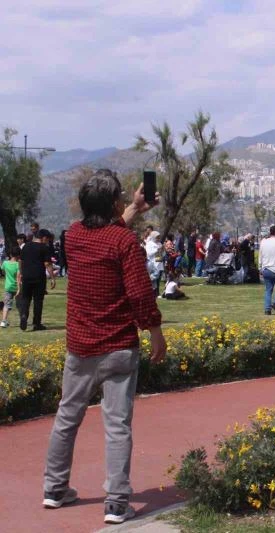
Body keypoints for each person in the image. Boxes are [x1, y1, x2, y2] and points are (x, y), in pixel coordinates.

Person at [43, 169, 166, 525]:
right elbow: (140, 293)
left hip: (80, 346)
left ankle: (54, 489)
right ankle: (116, 502)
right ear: (114, 203)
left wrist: (132, 209)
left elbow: (104, 237)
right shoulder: (124, 243)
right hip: (117, 347)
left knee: (67, 417)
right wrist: (155, 330)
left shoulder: (73, 237)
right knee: (117, 425)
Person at [17, 229, 56, 331]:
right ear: (43, 238)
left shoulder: (26, 246)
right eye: (47, 239)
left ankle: (24, 315)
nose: (47, 242)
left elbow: (20, 261)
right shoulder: (44, 248)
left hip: (26, 276)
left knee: (25, 298)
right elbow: (47, 264)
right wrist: (52, 278)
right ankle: (37, 323)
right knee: (38, 300)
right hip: (39, 277)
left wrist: (21, 273)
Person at [1, 247, 20, 328]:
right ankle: (23, 319)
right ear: (19, 255)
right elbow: (19, 277)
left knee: (6, 305)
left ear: (10, 254)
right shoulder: (18, 264)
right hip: (17, 287)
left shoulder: (5, 263)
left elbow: (2, 270)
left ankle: (3, 321)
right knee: (20, 304)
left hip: (8, 286)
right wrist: (19, 288)